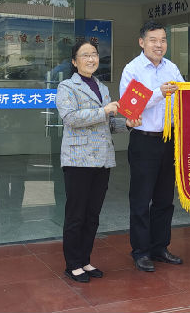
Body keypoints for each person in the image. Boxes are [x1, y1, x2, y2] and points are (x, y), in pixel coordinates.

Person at [56, 40, 140, 283]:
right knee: (76, 215)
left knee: (92, 214)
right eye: (85, 55)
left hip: (102, 159)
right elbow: (71, 118)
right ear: (74, 62)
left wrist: (127, 124)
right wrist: (104, 111)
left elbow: (108, 124)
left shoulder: (102, 87)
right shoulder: (66, 87)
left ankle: (85, 259)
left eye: (94, 54)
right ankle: (72, 264)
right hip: (78, 160)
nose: (91, 59)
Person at [119, 21, 185, 272]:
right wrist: (159, 92)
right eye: (153, 40)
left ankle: (160, 247)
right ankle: (140, 251)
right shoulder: (132, 69)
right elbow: (129, 106)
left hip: (169, 140)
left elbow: (184, 97)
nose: (159, 45)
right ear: (142, 42)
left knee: (164, 199)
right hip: (144, 140)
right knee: (141, 199)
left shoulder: (172, 68)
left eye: (163, 40)